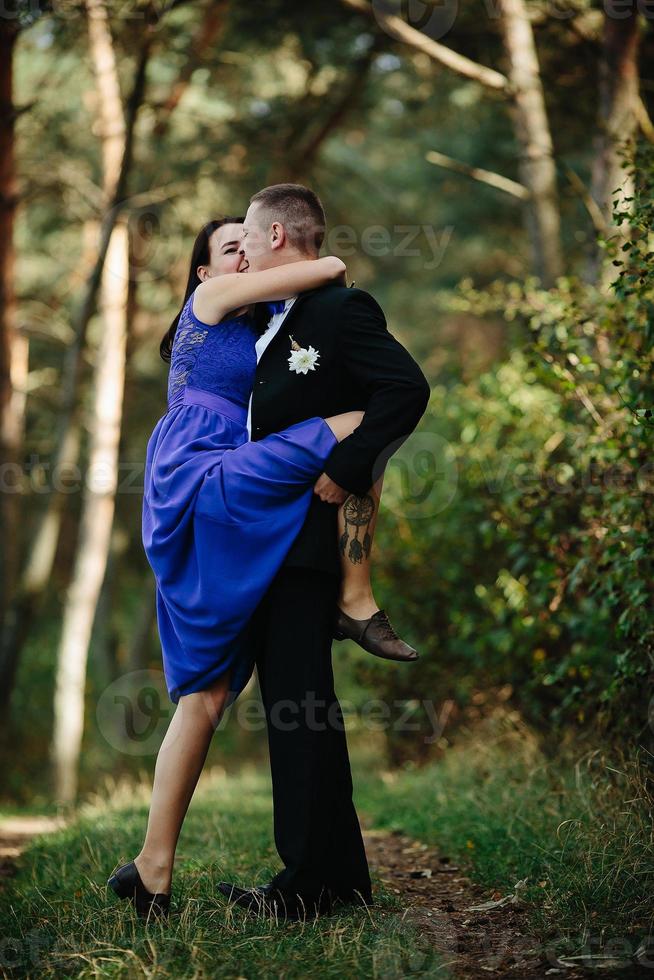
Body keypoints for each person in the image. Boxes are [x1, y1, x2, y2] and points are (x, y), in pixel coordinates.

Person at [215, 184, 431, 922]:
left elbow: (405, 389)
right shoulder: (262, 325)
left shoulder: (341, 310)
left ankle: (307, 889)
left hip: (305, 542)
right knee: (302, 709)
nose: (240, 248)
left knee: (296, 709)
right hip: (263, 542)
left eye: (247, 234)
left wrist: (347, 467)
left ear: (278, 235)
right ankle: (335, 881)